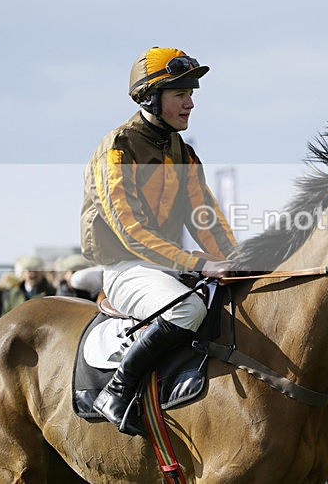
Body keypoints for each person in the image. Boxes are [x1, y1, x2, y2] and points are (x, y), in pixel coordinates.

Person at [81, 46, 237, 436]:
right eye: (181, 94)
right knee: (187, 310)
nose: (190, 103)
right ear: (152, 96)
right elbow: (130, 231)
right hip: (126, 267)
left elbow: (207, 221)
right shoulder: (118, 148)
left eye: (191, 94)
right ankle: (117, 391)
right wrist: (199, 263)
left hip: (168, 267)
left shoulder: (185, 153)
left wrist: (240, 261)